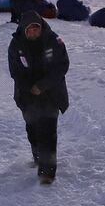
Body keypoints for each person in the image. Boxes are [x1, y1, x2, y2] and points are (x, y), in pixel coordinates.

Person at [8, 10, 69, 184]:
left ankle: (47, 172)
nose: (34, 32)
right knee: (33, 128)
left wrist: (42, 86)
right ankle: (37, 155)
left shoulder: (54, 41)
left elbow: (62, 66)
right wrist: (30, 88)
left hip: (51, 92)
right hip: (27, 95)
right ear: (24, 30)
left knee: (48, 130)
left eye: (36, 28)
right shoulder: (16, 45)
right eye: (30, 30)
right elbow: (15, 71)